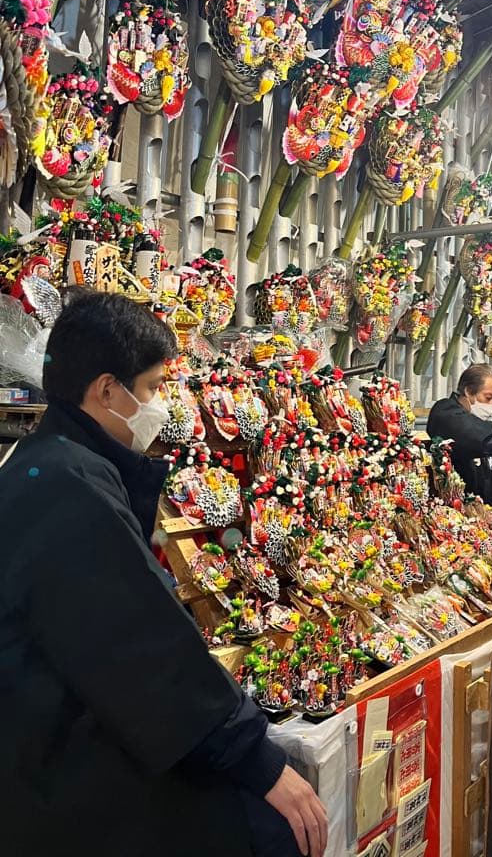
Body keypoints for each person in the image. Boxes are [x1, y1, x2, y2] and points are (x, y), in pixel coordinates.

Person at [0, 290, 328, 857]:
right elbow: (139, 646)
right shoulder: (67, 484)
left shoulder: (54, 460)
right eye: (152, 388)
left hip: (51, 736)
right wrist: (254, 756)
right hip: (53, 766)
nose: (160, 406)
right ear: (107, 390)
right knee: (268, 830)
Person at [427, 363, 492, 506]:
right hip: (457, 514)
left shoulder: (482, 425)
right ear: (469, 391)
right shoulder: (446, 411)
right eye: (488, 398)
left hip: (485, 515)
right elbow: (468, 432)